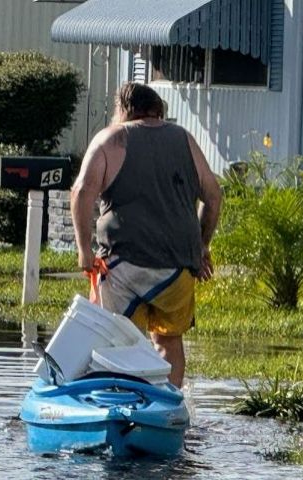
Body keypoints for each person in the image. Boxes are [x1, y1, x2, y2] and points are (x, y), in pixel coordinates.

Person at [70, 82, 221, 388]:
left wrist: (84, 249)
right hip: (177, 267)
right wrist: (202, 247)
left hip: (121, 264)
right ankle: (168, 404)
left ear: (124, 109)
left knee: (115, 339)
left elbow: (81, 192)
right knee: (169, 341)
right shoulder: (185, 140)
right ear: (157, 110)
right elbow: (215, 197)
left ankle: (120, 402)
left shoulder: (111, 139)